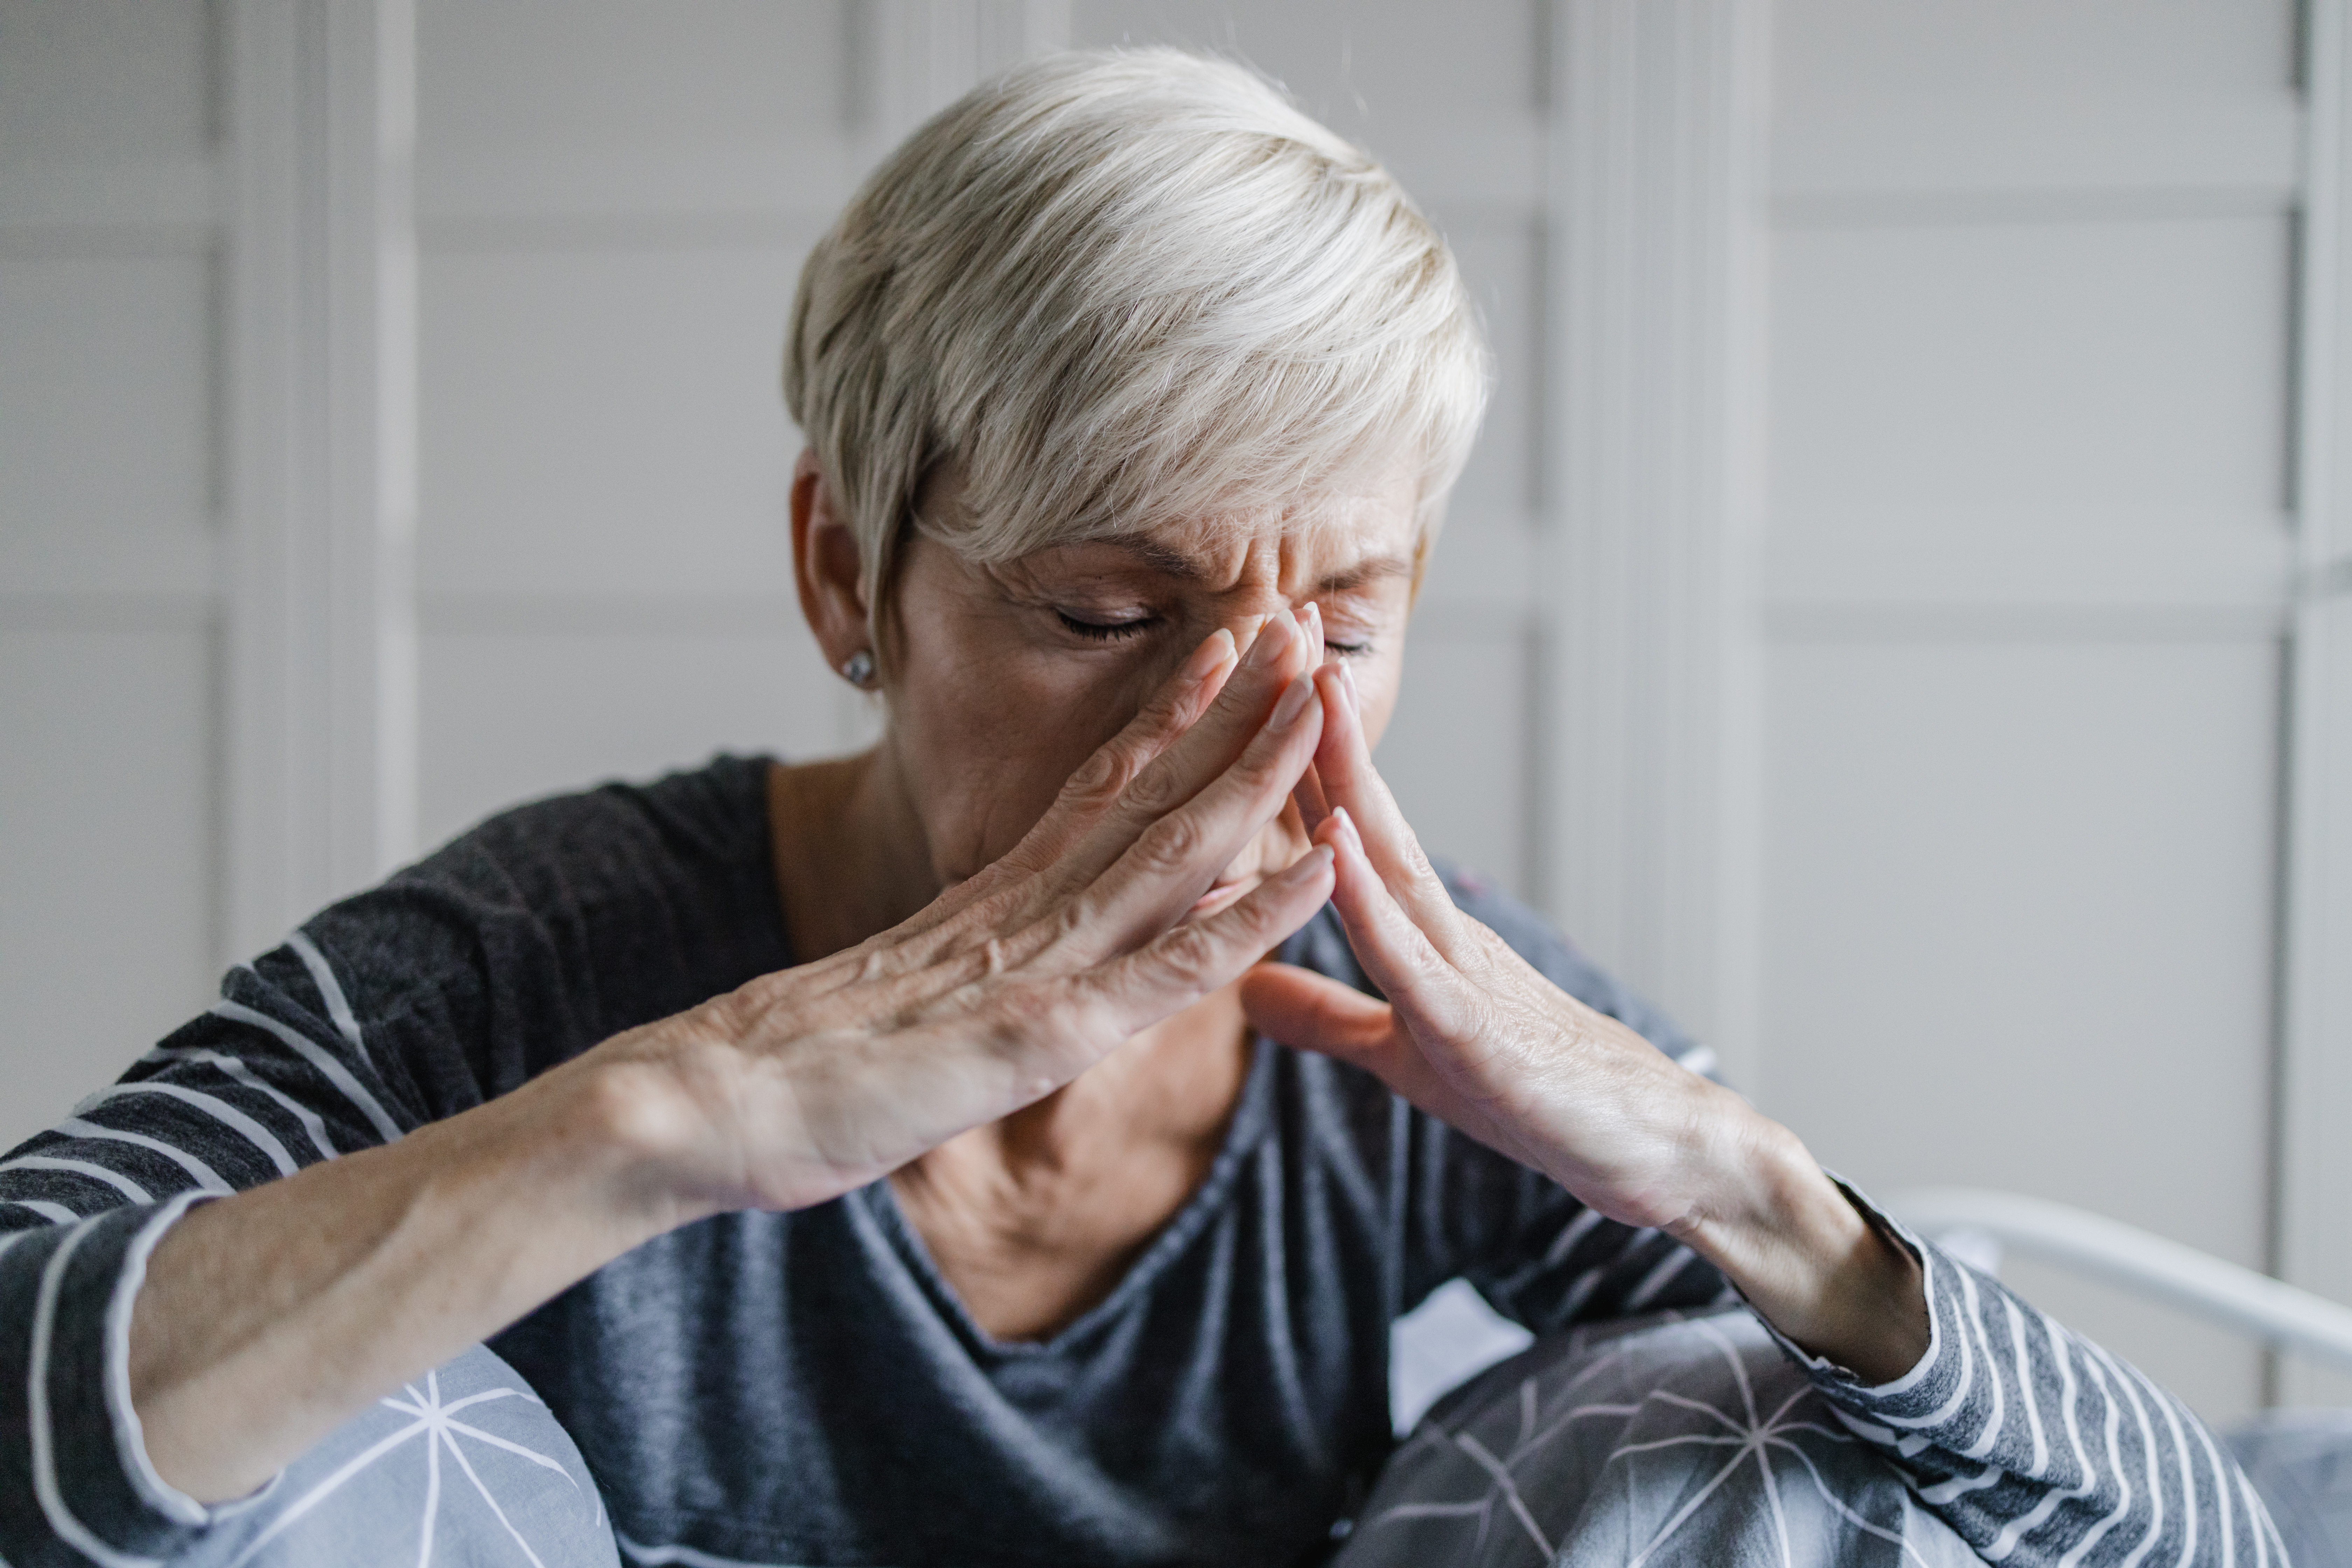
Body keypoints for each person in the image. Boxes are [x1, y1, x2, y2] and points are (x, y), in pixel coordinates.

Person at [0, 49, 2284, 1568]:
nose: (1245, 740)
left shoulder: (1411, 1029)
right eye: (1109, 610)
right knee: (298, 1430)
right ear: (844, 573)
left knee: (1745, 1415)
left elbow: (2199, 1537)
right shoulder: (541, 949)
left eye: (1349, 623)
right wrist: (671, 1116)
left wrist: (1737, 1171)